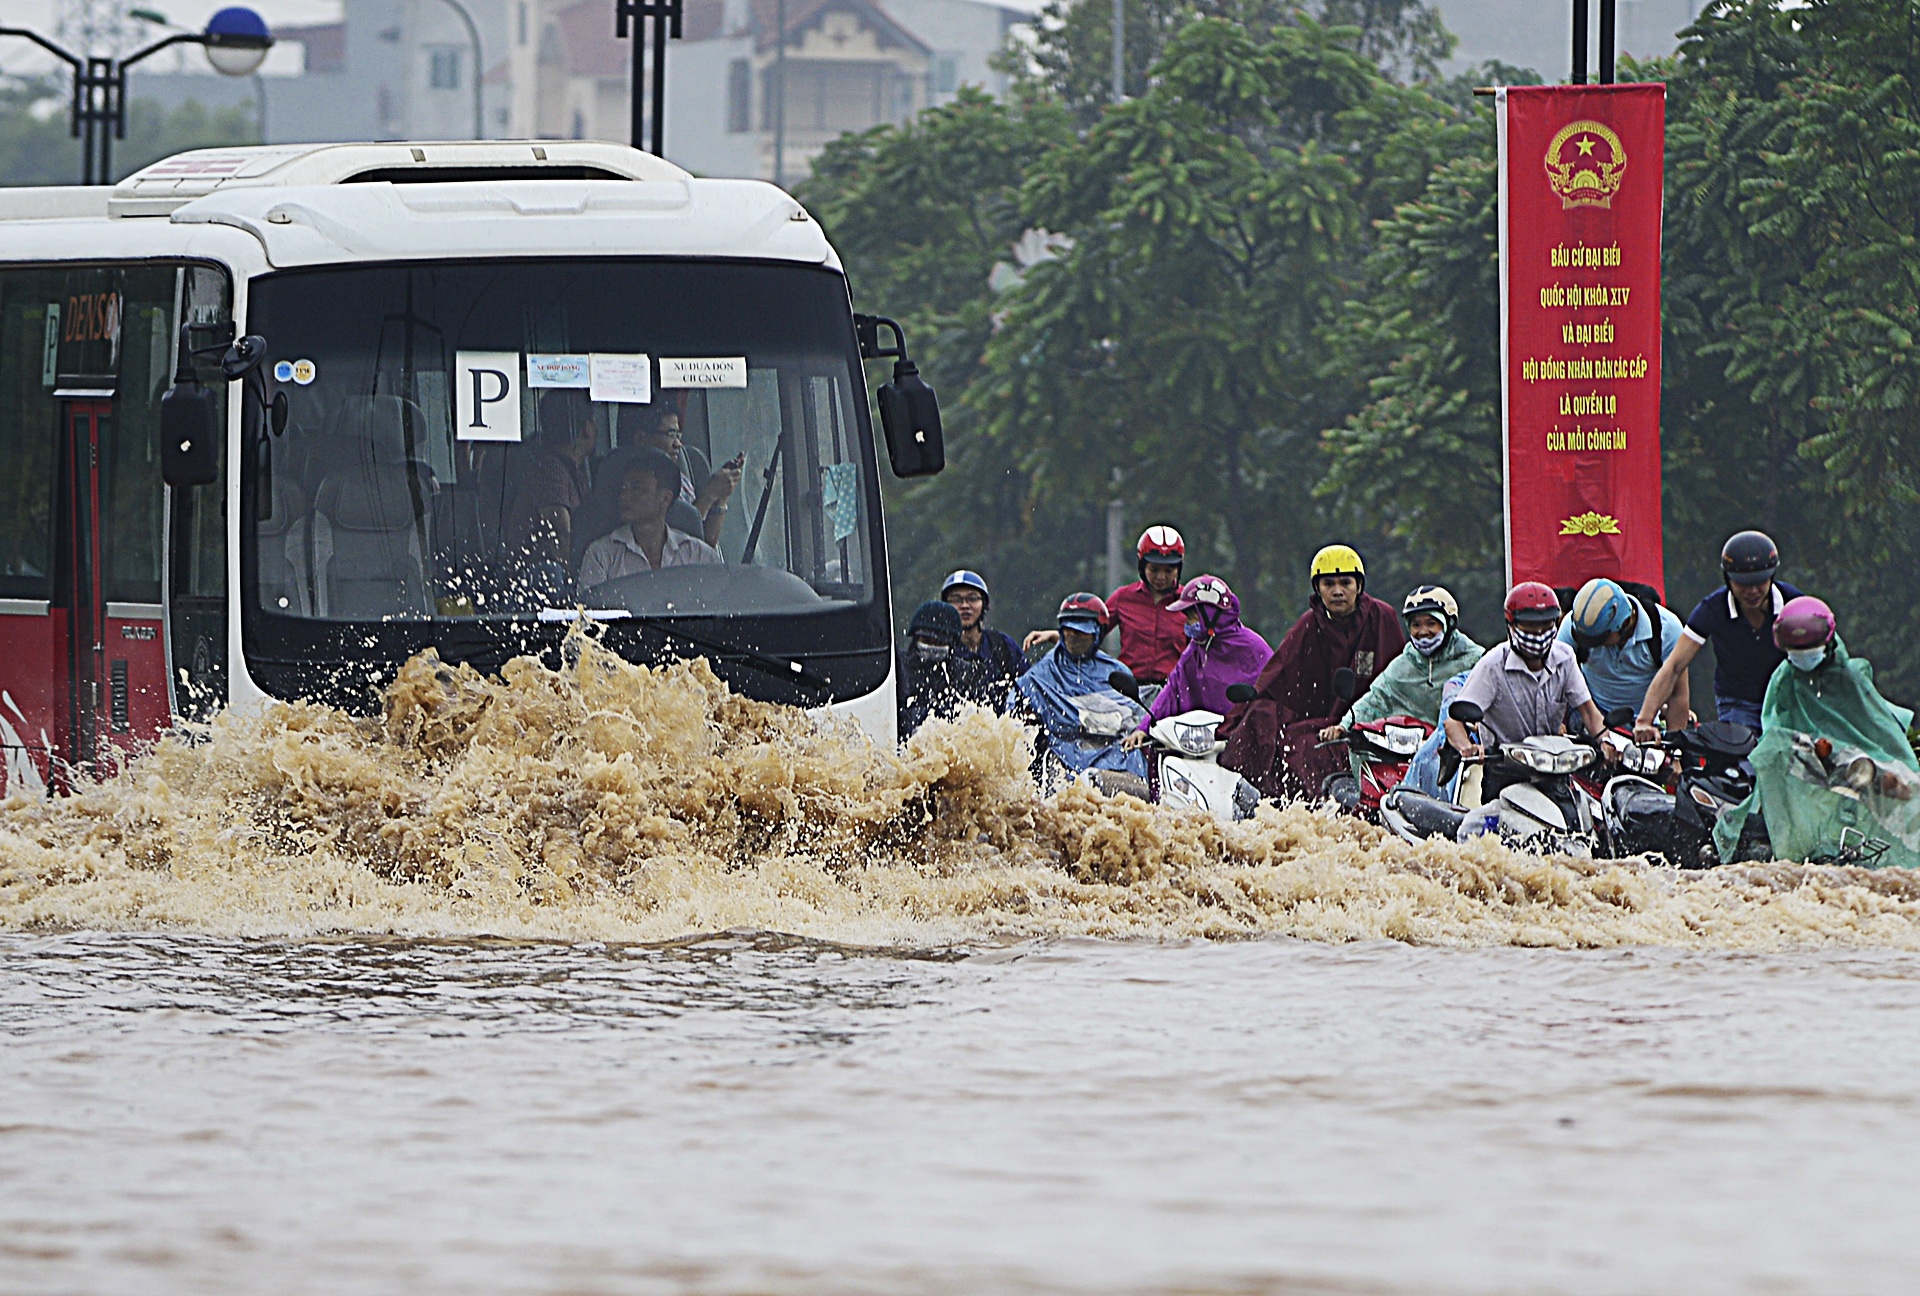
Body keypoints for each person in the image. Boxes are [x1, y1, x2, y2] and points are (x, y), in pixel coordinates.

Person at [1714, 597, 1920, 869]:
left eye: (1810, 649)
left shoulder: (1849, 677)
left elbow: (1877, 726)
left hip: (1855, 766)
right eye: (1796, 650)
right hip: (1807, 765)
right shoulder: (1784, 680)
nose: (1803, 656)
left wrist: (1889, 766)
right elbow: (1774, 728)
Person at [1218, 545, 1405, 800]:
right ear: (1318, 589)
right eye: (1328, 584)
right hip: (1320, 721)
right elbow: (1278, 675)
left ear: (1359, 586)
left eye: (1345, 583)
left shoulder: (1382, 618)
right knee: (1269, 722)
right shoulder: (1309, 624)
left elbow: (1398, 679)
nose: (1337, 591)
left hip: (1371, 721)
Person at [1446, 581, 1610, 801]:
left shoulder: (1565, 658)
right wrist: (1468, 748)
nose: (1539, 634)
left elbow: (1588, 711)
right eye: (1530, 627)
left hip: (1555, 772)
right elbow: (1453, 722)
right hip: (1505, 773)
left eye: (1546, 625)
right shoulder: (1492, 665)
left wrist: (1605, 741)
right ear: (1511, 626)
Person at [1635, 531, 1805, 740]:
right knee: (1741, 755)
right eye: (1743, 583)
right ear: (1728, 579)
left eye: (1759, 582)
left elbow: (1827, 659)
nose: (1752, 591)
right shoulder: (1713, 609)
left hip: (1788, 700)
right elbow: (1674, 666)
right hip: (1738, 703)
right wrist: (1644, 720)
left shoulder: (1795, 605)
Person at [1023, 527, 1190, 687]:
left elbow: (1199, 651)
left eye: (1169, 571)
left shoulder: (1188, 602)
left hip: (1174, 690)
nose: (1161, 577)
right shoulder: (1123, 597)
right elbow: (1091, 634)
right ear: (1142, 566)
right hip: (1130, 691)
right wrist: (1056, 636)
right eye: (1154, 570)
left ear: (1178, 569)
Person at [1121, 575, 1273, 748]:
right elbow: (1172, 690)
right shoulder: (1196, 649)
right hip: (1197, 743)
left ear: (1210, 614)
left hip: (1246, 743)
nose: (1187, 623)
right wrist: (1144, 728)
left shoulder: (1254, 649)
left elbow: (1274, 696)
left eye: (1192, 617)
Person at [1010, 593, 1148, 780]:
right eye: (1068, 630)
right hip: (1062, 748)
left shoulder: (1116, 671)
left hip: (1113, 749)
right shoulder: (1043, 672)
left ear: (1097, 633)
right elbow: (1016, 705)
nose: (1074, 637)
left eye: (1082, 632)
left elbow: (1134, 715)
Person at [1321, 585, 1485, 739]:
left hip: (1464, 748)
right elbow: (1375, 699)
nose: (1423, 632)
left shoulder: (1477, 660)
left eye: (1431, 623)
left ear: (1449, 624)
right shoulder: (1403, 665)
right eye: (1416, 625)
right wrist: (1343, 726)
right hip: (1412, 748)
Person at [576, 447, 723, 592]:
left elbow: (719, 601)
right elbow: (588, 606)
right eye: (623, 488)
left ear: (665, 499)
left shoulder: (699, 555)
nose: (624, 496)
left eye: (636, 488)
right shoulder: (601, 554)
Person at [1559, 576, 1687, 727]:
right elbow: (1556, 675)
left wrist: (1675, 739)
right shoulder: (1575, 626)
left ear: (1624, 624)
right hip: (1588, 713)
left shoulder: (1667, 630)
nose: (1595, 644)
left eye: (1599, 639)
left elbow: (1677, 695)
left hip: (1642, 722)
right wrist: (1558, 723)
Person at [503, 389, 598, 563]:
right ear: (586, 428)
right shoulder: (550, 470)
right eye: (593, 421)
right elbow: (559, 533)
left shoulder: (574, 471)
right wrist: (573, 575)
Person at [635, 405, 744, 548]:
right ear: (641, 438)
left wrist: (721, 497)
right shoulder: (633, 487)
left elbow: (706, 543)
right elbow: (676, 546)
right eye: (671, 434)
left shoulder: (682, 481)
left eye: (678, 436)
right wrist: (708, 496)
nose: (678, 444)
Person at [939, 570, 1027, 709]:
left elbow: (1030, 688)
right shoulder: (940, 649)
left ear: (984, 604)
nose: (965, 606)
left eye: (972, 598)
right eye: (956, 600)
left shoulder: (1003, 646)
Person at [897, 600, 968, 740]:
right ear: (915, 637)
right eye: (927, 640)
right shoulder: (899, 669)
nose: (933, 646)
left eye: (940, 642)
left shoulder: (964, 673)